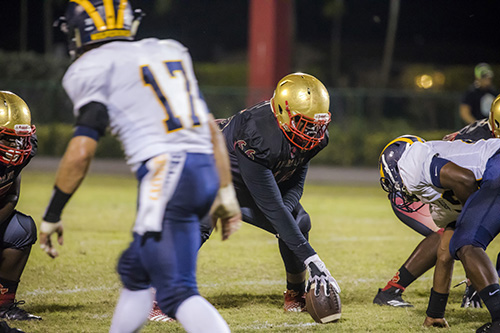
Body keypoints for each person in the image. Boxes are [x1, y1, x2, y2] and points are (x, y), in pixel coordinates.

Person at [38, 1, 241, 332]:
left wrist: (52, 214)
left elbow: (81, 151)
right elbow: (208, 127)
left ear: (80, 31)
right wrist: (225, 189)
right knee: (134, 269)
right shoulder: (167, 49)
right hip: (203, 167)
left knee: (177, 293)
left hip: (167, 174)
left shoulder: (90, 67)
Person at [199, 73, 341, 313]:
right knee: (200, 221)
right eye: (304, 123)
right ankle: (160, 295)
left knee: (298, 221)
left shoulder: (314, 137)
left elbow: (294, 182)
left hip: (247, 180)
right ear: (283, 113)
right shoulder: (256, 134)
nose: (313, 133)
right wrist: (313, 259)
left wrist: (286, 221)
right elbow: (270, 205)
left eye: (316, 125)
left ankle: (295, 295)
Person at [374, 94, 500, 309]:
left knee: (461, 239)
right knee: (457, 239)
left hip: (453, 186)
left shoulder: (417, 165)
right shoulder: (413, 168)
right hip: (446, 187)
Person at [0, 91, 40, 322]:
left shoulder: (19, 154)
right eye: (8, 137)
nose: (16, 145)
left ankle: (3, 306)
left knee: (22, 228)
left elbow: (12, 196)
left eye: (19, 137)